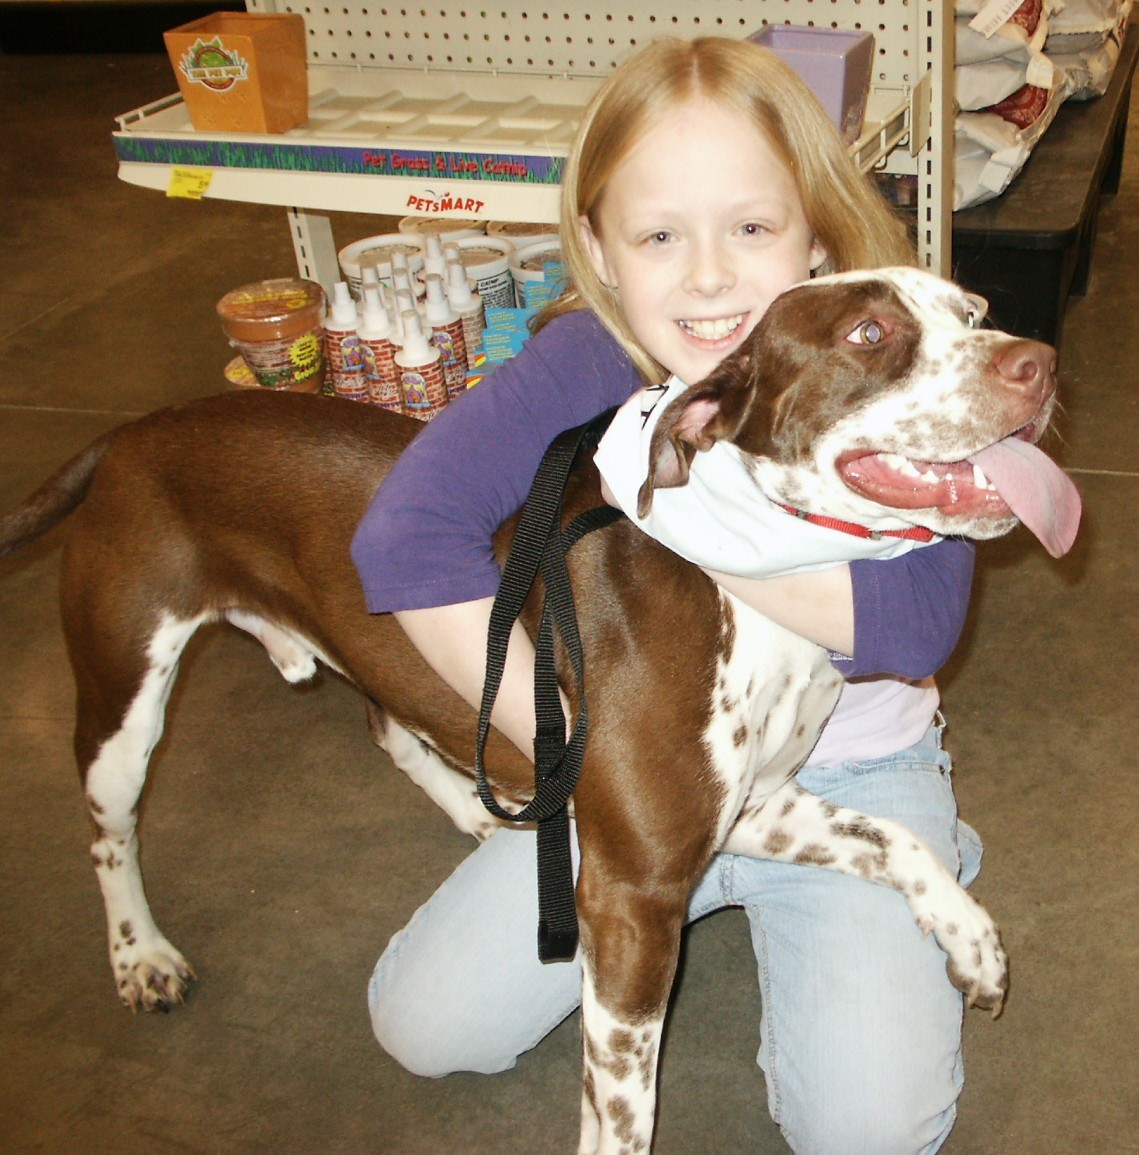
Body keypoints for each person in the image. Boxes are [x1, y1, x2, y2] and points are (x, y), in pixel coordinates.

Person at [351, 37, 982, 1154]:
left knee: (868, 1133)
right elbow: (404, 537)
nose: (707, 278)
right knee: (421, 1026)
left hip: (846, 768)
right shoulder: (593, 361)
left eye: (752, 228)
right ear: (598, 245)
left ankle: (906, 850)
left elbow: (916, 620)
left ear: (818, 234)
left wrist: (701, 531)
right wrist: (574, 745)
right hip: (639, 771)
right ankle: (691, 865)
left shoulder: (892, 360)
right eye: (658, 237)